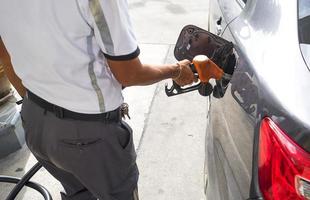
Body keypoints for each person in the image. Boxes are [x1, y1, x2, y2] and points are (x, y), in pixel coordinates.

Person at [0, 1, 195, 199]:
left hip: (34, 120)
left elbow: (4, 53)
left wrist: (39, 101)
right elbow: (129, 74)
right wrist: (177, 71)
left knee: (79, 193)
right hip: (88, 135)